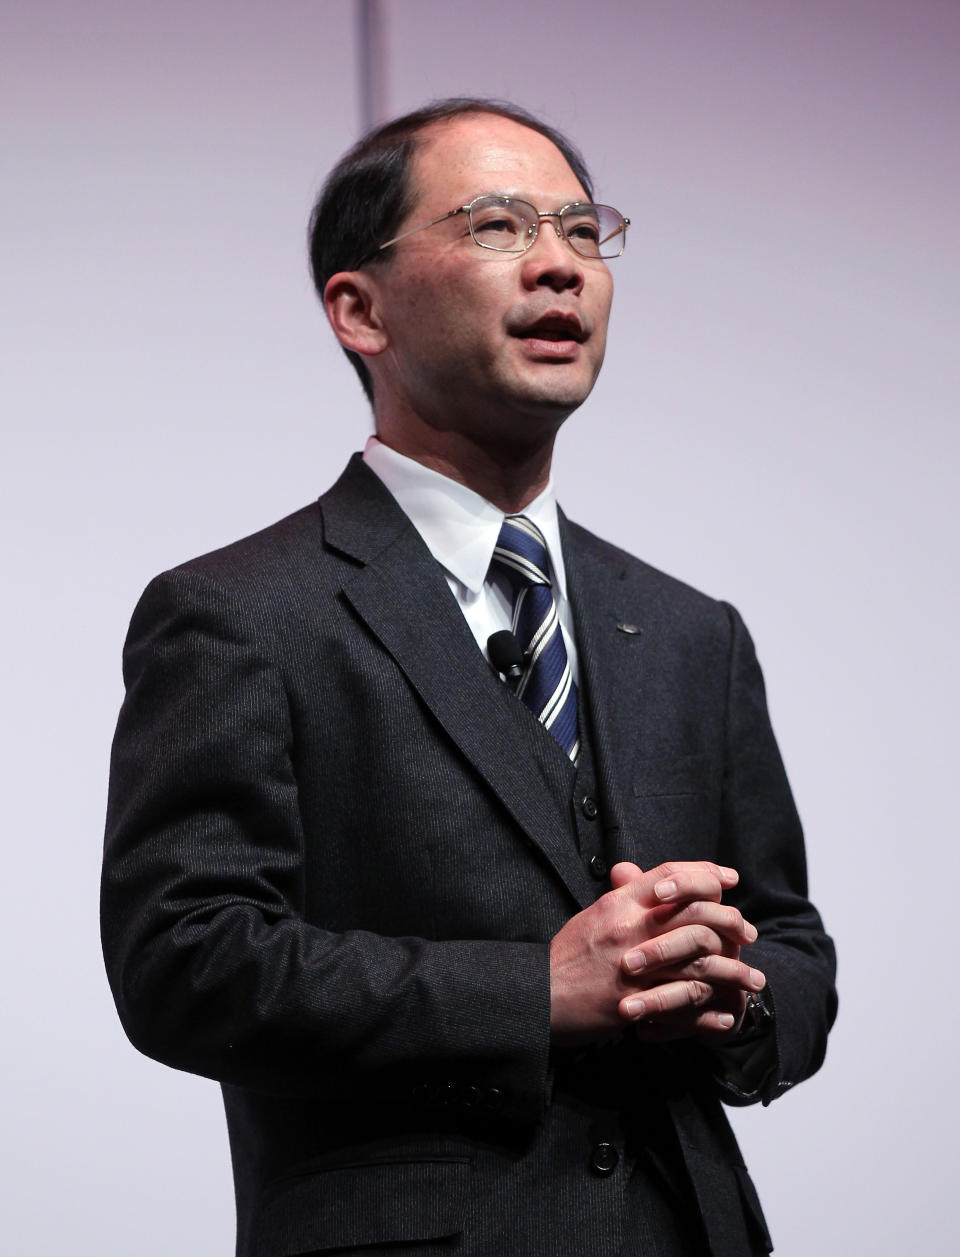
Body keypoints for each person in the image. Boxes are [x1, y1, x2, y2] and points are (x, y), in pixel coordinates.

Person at [102, 98, 837, 1257]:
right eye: (498, 227)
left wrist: (725, 994)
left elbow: (793, 948)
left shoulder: (694, 631)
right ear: (360, 309)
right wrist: (531, 991)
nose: (559, 266)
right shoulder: (241, 613)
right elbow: (184, 961)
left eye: (585, 233)